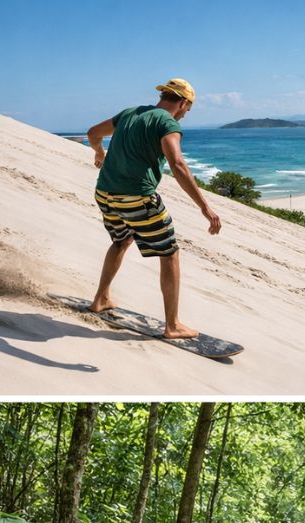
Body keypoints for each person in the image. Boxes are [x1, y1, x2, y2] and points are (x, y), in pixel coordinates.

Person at [87, 78, 222, 339]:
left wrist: (98, 154)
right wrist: (206, 208)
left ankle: (101, 298)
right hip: (137, 197)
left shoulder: (130, 113)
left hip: (105, 193)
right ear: (183, 103)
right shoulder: (167, 123)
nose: (185, 115)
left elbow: (93, 133)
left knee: (121, 241)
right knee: (169, 253)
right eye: (187, 110)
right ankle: (172, 325)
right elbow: (178, 164)